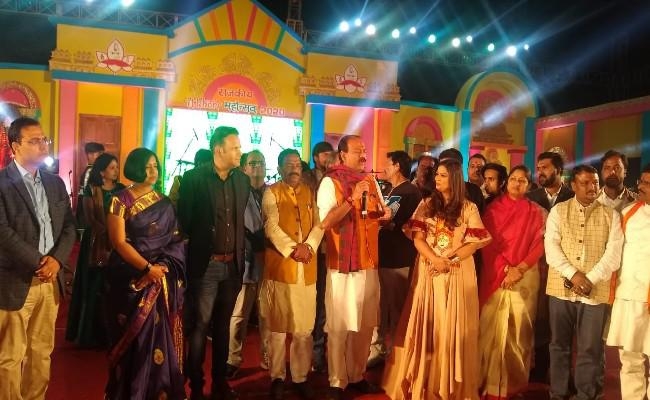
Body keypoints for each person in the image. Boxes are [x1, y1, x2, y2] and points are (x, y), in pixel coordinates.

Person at [382, 158, 491, 400]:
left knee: (452, 326)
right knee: (429, 323)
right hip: (429, 269)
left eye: (442, 175)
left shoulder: (469, 208)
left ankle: (450, 385)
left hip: (457, 271)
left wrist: (449, 260)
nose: (437, 179)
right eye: (437, 175)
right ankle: (425, 382)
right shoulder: (427, 203)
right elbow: (417, 238)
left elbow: (474, 243)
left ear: (454, 178)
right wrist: (434, 259)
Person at [0, 117, 76, 400]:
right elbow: (2, 232)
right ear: (15, 146)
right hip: (16, 280)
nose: (43, 145)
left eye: (44, 139)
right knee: (10, 355)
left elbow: (69, 226)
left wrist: (56, 261)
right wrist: (38, 262)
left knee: (41, 352)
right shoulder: (2, 183)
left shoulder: (54, 183)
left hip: (50, 280)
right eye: (34, 141)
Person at [103, 147, 186, 400]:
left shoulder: (164, 202)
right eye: (147, 167)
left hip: (160, 278)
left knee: (160, 340)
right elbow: (119, 242)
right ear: (135, 168)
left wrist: (162, 268)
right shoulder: (120, 201)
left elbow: (175, 241)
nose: (153, 171)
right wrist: (147, 269)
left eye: (155, 166)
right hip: (131, 278)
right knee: (134, 342)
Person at [178, 126, 249, 400]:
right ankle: (196, 385)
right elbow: (185, 221)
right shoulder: (193, 179)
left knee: (222, 327)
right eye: (235, 148)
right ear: (218, 149)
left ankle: (220, 383)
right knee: (199, 326)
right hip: (205, 265)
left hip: (232, 266)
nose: (240, 152)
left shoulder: (242, 181)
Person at [317, 135, 388, 400]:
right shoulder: (330, 182)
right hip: (342, 266)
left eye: (364, 150)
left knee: (365, 325)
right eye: (358, 151)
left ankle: (356, 374)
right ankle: (337, 381)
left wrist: (385, 215)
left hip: (369, 263)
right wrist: (351, 199)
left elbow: (377, 213)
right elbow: (326, 222)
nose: (363, 155)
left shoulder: (370, 181)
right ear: (343, 155)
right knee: (339, 326)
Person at [544, 164, 623, 400]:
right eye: (585, 183)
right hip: (560, 289)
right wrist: (574, 274)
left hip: (595, 290)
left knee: (590, 347)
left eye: (595, 182)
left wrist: (589, 279)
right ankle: (558, 393)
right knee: (559, 345)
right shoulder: (558, 211)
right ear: (573, 185)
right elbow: (551, 248)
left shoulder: (611, 215)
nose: (592, 187)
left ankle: (585, 395)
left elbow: (613, 255)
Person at [478, 165, 547, 399]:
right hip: (496, 275)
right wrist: (506, 269)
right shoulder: (492, 210)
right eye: (513, 179)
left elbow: (540, 244)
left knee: (519, 332)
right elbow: (486, 242)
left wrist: (520, 269)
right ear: (506, 182)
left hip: (524, 278)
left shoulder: (537, 212)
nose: (517, 183)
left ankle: (513, 386)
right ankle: (487, 383)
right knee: (490, 331)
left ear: (529, 185)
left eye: (522, 180)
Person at [261, 149, 324, 400]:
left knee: (304, 328)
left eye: (297, 164)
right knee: (277, 328)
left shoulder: (310, 192)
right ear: (279, 169)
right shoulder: (271, 192)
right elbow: (271, 226)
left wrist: (309, 246)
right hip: (281, 267)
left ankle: (300, 377)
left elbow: (319, 224)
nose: (294, 169)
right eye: (289, 165)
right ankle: (277, 377)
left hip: (307, 268)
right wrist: (293, 249)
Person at [367, 151, 421, 368]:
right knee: (380, 308)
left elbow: (407, 225)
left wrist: (386, 223)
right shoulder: (391, 190)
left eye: (387, 164)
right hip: (383, 257)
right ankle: (379, 350)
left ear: (397, 166)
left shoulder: (410, 192)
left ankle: (398, 355)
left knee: (397, 308)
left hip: (399, 259)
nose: (384, 168)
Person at [66, 152, 125, 348]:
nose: (116, 171)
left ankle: (112, 334)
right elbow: (90, 219)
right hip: (95, 244)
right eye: (112, 168)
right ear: (101, 172)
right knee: (94, 288)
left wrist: (118, 237)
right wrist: (108, 233)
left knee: (113, 289)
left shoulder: (122, 190)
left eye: (116, 167)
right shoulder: (92, 190)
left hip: (118, 243)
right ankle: (89, 336)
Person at [525, 151, 574, 384]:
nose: (540, 172)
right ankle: (540, 367)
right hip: (537, 265)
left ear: (558, 170)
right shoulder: (531, 197)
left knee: (563, 321)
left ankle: (563, 374)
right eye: (538, 168)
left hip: (566, 267)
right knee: (540, 317)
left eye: (545, 167)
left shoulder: (573, 196)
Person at [606, 164, 650, 400]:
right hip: (628, 295)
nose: (640, 186)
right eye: (641, 181)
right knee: (629, 358)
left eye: (647, 183)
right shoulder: (628, 213)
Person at [226, 150, 270, 377]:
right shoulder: (237, 193)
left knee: (267, 315)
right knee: (239, 314)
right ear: (243, 168)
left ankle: (268, 358)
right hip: (246, 262)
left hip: (270, 262)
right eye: (253, 163)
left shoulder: (272, 192)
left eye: (261, 162)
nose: (257, 167)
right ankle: (233, 359)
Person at [309, 140, 335, 373]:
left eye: (331, 154)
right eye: (325, 155)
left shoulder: (337, 179)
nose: (329, 158)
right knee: (315, 304)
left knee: (326, 304)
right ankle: (313, 352)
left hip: (332, 248)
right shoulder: (307, 179)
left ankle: (321, 353)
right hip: (312, 248)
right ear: (316, 157)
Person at [439, 148, 485, 214]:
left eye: (449, 165)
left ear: (460, 167)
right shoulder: (434, 189)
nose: (444, 169)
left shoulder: (474, 191)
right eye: (442, 165)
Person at [76, 142, 105, 228]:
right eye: (99, 154)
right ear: (89, 155)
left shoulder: (92, 170)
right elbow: (88, 194)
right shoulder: (91, 171)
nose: (102, 157)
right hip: (88, 212)